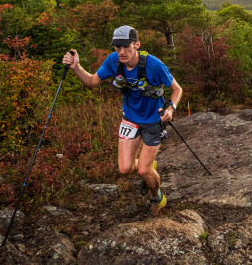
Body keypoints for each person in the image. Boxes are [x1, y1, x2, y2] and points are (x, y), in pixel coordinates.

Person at [62, 25, 182, 216]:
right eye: (118, 47)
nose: (121, 52)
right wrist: (76, 67)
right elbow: (92, 82)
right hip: (130, 119)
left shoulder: (154, 65)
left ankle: (157, 198)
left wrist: (171, 108)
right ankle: (150, 167)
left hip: (153, 121)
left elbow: (177, 89)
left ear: (137, 45)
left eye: (126, 47)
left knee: (143, 171)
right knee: (124, 169)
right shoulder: (113, 61)